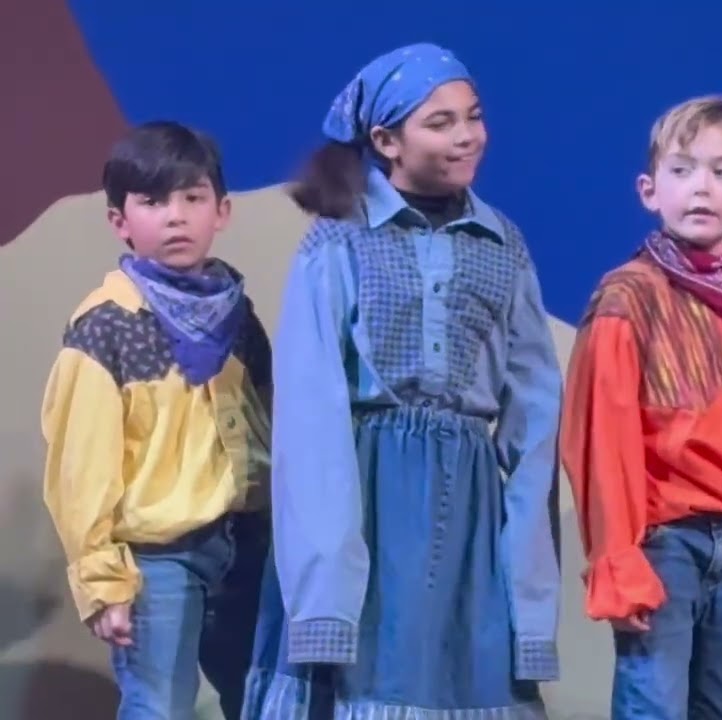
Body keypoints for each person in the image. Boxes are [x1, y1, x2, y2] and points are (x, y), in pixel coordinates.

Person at [241, 43, 563, 718]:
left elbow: (535, 406)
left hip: (471, 513)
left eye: (472, 117)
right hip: (368, 502)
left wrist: (526, 562)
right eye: (439, 122)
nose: (466, 135)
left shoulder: (502, 241)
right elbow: (311, 406)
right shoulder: (340, 240)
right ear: (386, 140)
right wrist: (328, 563)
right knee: (373, 674)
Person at [559, 95, 722, 720]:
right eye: (683, 169)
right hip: (664, 544)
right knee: (655, 705)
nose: (702, 188)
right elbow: (601, 444)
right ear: (650, 190)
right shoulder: (628, 298)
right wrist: (619, 559)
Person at [40, 120, 271, 719]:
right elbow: (80, 468)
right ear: (120, 220)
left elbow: (265, 424)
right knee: (160, 705)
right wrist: (102, 583)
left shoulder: (237, 314)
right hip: (157, 560)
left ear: (221, 211)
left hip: (244, 545)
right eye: (153, 201)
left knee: (267, 698)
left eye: (192, 198)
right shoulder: (106, 326)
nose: (176, 216)